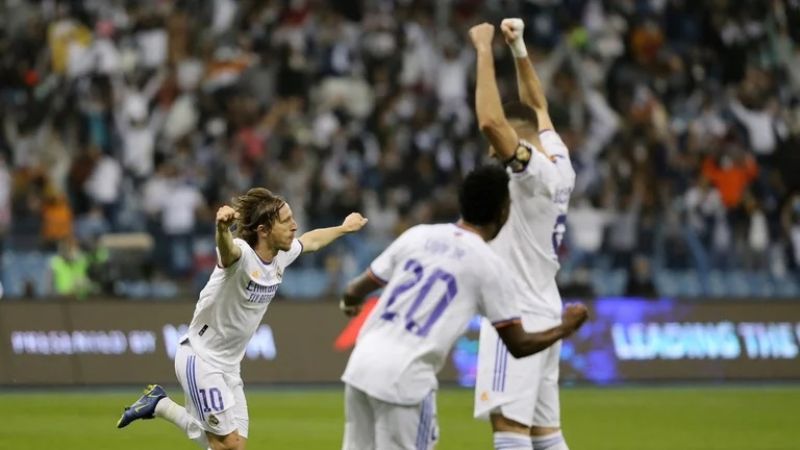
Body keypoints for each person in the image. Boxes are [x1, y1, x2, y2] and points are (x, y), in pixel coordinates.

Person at [339, 166, 587, 450]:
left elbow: (354, 290)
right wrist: (565, 326)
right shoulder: (489, 264)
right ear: (503, 212)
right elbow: (519, 344)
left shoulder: (418, 235)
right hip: (405, 380)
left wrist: (350, 303)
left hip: (361, 366)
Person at [116, 187, 368, 450]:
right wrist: (222, 229)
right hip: (201, 358)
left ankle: (159, 404)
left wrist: (344, 228)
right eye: (286, 221)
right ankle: (161, 406)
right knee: (228, 444)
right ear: (263, 230)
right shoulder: (241, 254)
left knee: (233, 447)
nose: (294, 226)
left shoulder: (281, 254)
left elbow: (311, 241)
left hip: (230, 366)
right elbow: (227, 251)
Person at [469, 20, 577, 450]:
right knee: (546, 433)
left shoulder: (531, 171)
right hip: (545, 306)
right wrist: (518, 48)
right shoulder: (560, 161)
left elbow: (490, 121)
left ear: (518, 139)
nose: (491, 153)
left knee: (509, 430)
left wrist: (484, 49)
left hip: (514, 314)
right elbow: (538, 105)